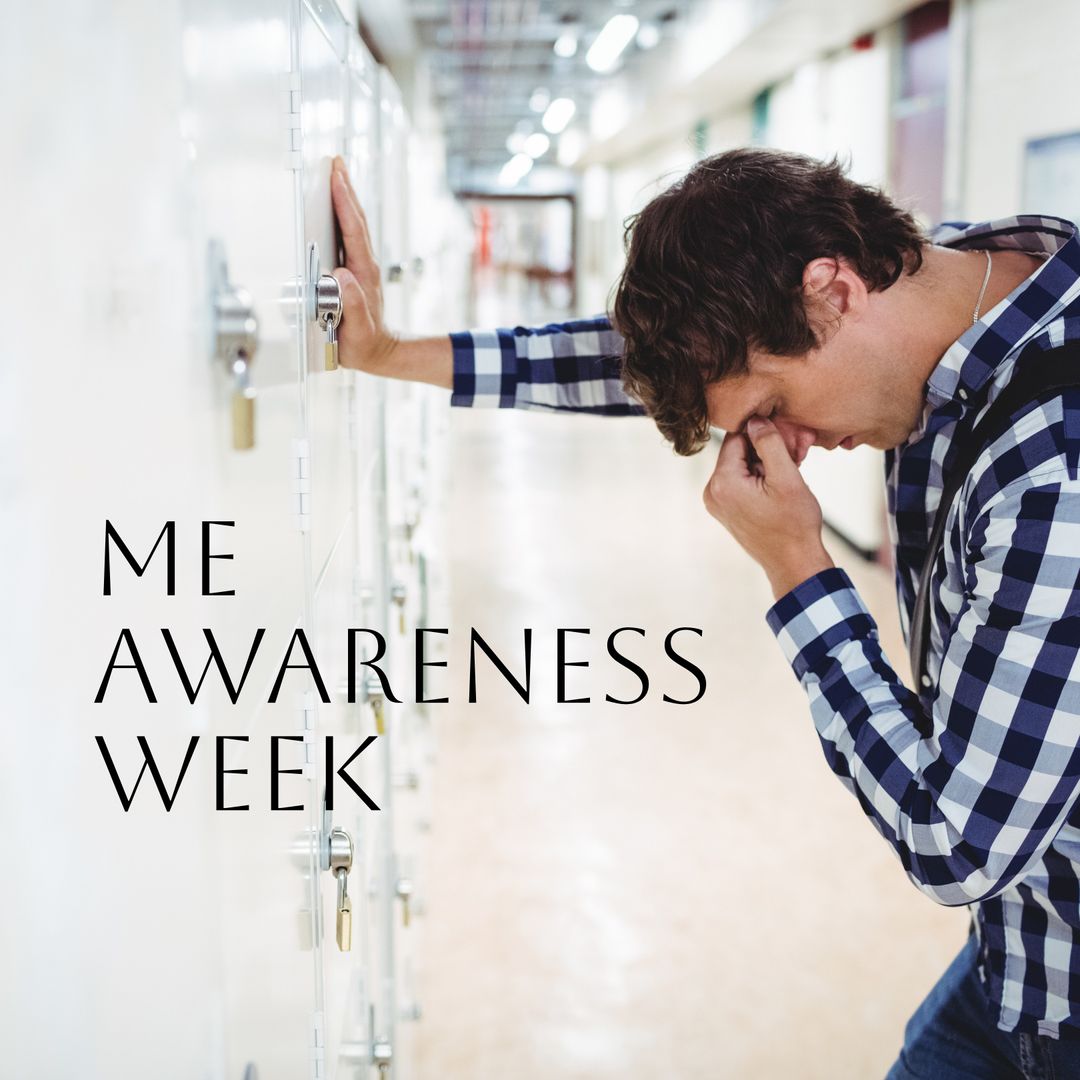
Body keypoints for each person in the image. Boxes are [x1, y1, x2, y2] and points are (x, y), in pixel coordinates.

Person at [329, 148, 1080, 1078]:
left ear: (833, 291)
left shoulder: (1056, 474)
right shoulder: (950, 286)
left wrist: (798, 571)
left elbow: (959, 842)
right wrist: (390, 353)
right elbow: (650, 359)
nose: (787, 446)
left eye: (773, 406)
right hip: (1020, 953)